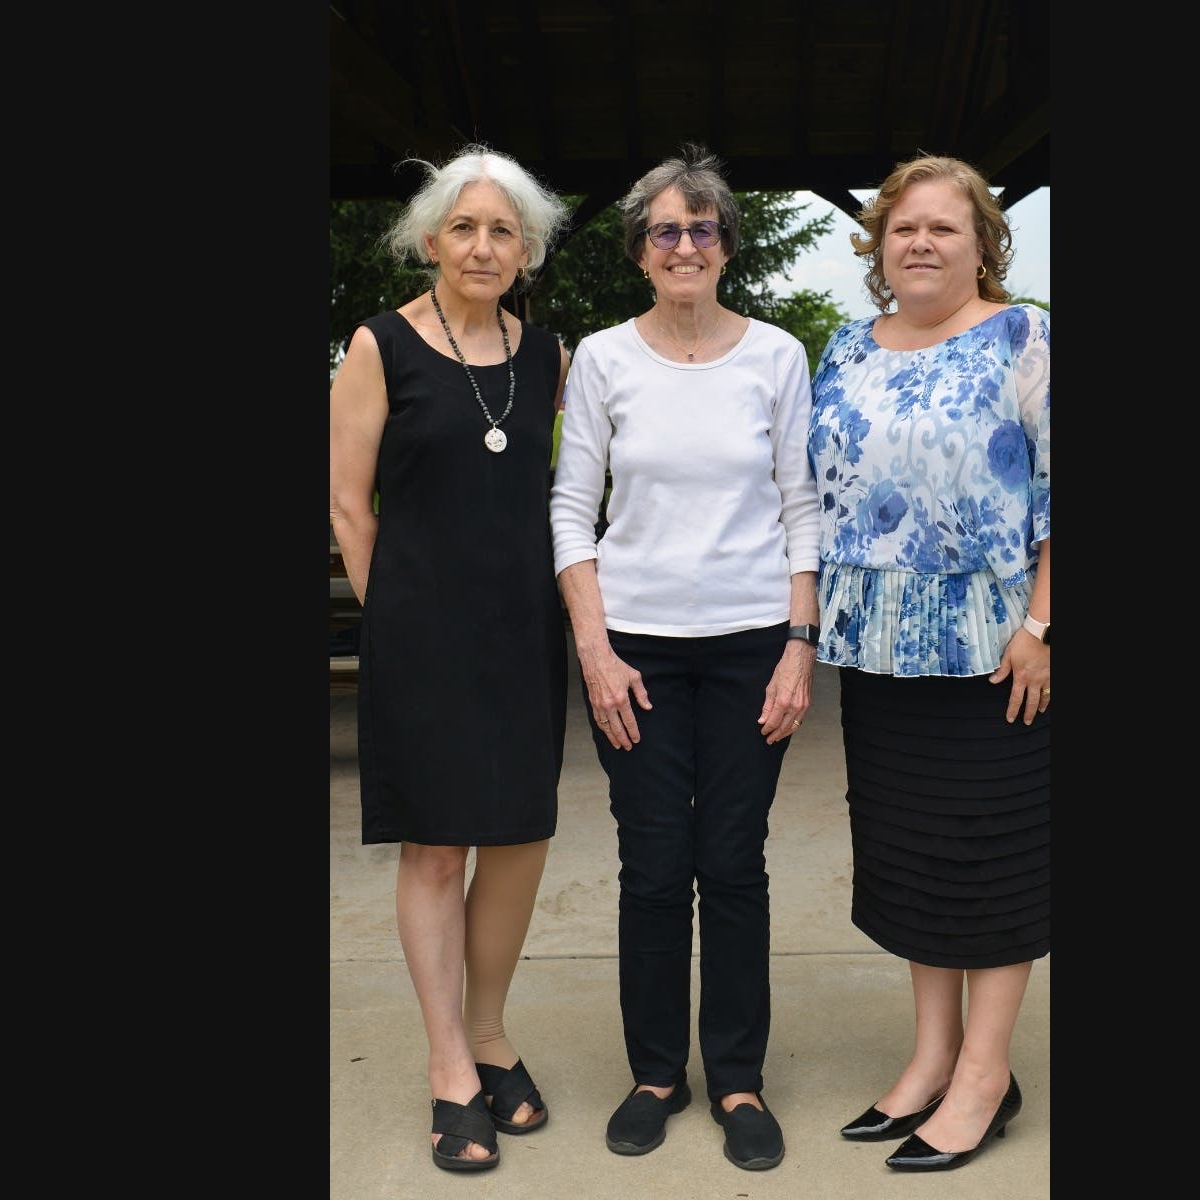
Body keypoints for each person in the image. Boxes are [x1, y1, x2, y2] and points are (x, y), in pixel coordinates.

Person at [548, 145, 819, 1172]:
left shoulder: (777, 357)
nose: (684, 245)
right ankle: (656, 1073)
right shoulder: (608, 357)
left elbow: (802, 507)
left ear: (724, 245)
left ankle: (738, 1078)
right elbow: (572, 510)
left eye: (702, 228)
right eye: (665, 229)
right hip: (636, 652)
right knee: (655, 865)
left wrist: (799, 647)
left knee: (732, 862)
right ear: (639, 252)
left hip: (753, 642)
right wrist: (594, 649)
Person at [328, 144, 570, 1175]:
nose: (483, 244)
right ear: (430, 241)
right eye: (464, 227)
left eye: (503, 230)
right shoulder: (378, 344)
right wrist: (401, 622)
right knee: (435, 849)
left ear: (528, 252)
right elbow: (347, 500)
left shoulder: (548, 355)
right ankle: (447, 1067)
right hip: (421, 635)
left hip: (522, 631)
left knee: (516, 841)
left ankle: (489, 1030)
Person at [807, 154, 1050, 1174]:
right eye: (902, 227)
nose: (920, 243)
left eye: (943, 228)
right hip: (876, 649)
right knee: (912, 856)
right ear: (876, 244)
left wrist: (1045, 625)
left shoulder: (1025, 338)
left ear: (981, 242)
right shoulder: (844, 348)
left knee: (991, 859)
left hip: (997, 647)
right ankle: (932, 1055)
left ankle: (985, 1075)